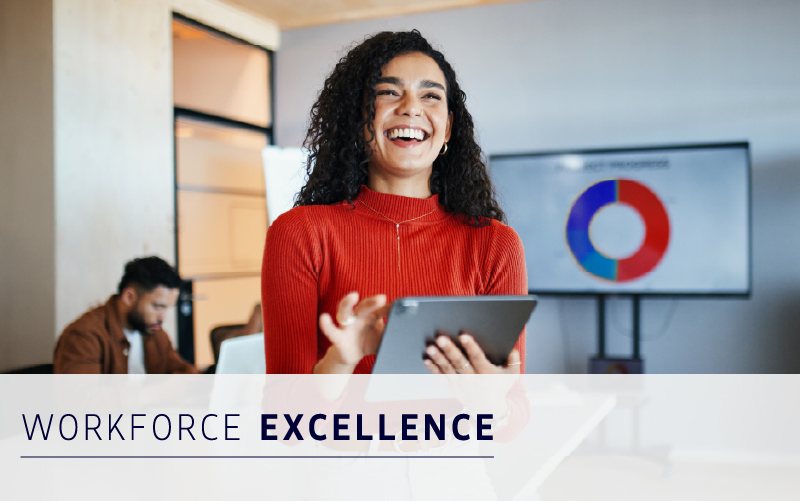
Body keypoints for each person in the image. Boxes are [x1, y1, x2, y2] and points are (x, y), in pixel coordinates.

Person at [261, 30, 526, 395]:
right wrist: (340, 361)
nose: (412, 108)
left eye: (430, 95)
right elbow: (282, 415)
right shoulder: (300, 233)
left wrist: (492, 404)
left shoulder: (496, 243)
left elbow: (513, 416)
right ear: (359, 120)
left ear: (447, 128)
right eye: (389, 92)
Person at [54, 256, 198, 374]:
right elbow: (82, 403)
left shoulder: (153, 333)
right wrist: (155, 393)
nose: (162, 317)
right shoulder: (83, 336)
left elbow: (182, 371)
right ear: (129, 297)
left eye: (167, 308)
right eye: (158, 307)